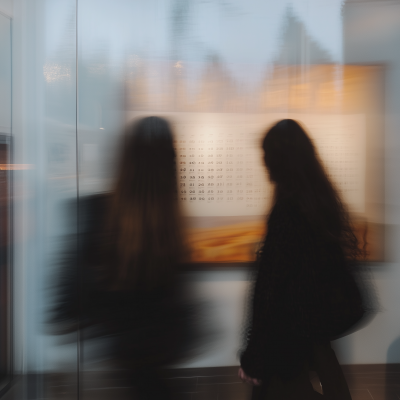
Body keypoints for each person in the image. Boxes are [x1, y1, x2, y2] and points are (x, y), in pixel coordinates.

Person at [50, 116, 197, 400]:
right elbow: (178, 322)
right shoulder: (170, 230)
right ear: (171, 165)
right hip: (154, 373)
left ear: (126, 159)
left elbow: (66, 307)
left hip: (116, 368)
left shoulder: (94, 212)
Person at [238, 119, 375, 400]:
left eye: (267, 156)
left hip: (288, 341)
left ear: (279, 161)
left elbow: (269, 290)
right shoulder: (320, 204)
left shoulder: (287, 212)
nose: (264, 163)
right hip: (312, 334)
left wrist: (254, 355)